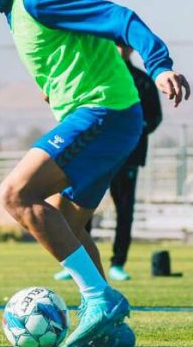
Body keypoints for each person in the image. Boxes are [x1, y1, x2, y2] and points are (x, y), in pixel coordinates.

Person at [0, 0, 189, 347]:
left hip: (104, 113)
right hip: (105, 116)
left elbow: (121, 18)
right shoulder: (18, 2)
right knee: (66, 224)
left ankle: (100, 300)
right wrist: (53, 85)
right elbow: (67, 51)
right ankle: (110, 328)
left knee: (16, 194)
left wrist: (159, 64)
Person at [54, 43, 162, 282]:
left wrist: (128, 132)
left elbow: (154, 117)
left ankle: (118, 263)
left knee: (124, 211)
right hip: (97, 157)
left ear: (131, 50)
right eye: (116, 44)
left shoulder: (142, 81)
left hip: (128, 157)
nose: (120, 49)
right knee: (84, 207)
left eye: (124, 45)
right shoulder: (99, 74)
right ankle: (76, 260)